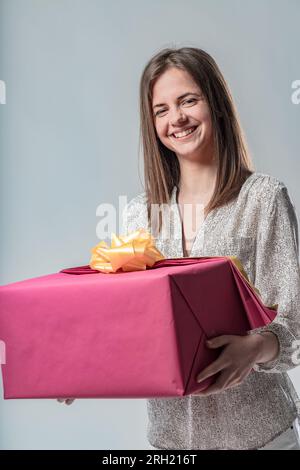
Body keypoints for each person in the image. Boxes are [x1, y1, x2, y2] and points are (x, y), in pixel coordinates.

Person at [58, 47, 300, 450]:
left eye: (189, 100)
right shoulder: (139, 215)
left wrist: (256, 346)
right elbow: (126, 327)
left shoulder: (263, 198)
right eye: (162, 109)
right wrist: (76, 368)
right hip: (170, 444)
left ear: (216, 105)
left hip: (262, 437)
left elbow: (295, 320)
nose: (177, 119)